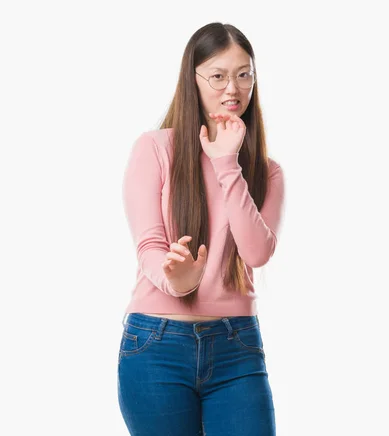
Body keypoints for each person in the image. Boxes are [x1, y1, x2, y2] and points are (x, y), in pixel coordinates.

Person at [117, 22, 285, 435]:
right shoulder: (155, 149)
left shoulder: (267, 172)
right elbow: (150, 244)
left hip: (237, 347)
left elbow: (257, 253)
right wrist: (177, 281)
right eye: (219, 75)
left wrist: (228, 163)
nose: (233, 89)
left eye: (244, 74)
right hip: (155, 346)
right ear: (192, 79)